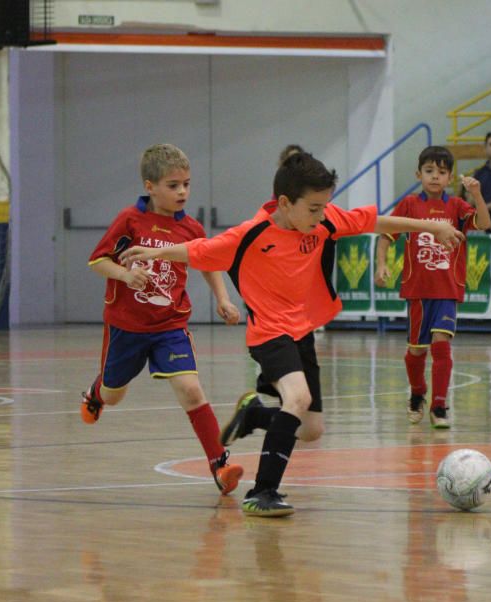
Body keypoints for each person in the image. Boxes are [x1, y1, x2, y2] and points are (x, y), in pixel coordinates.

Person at [119, 151, 464, 517]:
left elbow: (375, 222)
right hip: (268, 332)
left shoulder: (323, 221)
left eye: (324, 207)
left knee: (312, 428)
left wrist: (434, 227)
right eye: (313, 208)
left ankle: (254, 415)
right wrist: (153, 254)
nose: (321, 216)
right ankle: (263, 491)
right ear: (285, 203)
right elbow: (198, 250)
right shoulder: (250, 235)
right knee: (296, 399)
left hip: (302, 330)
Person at [79, 143, 245, 496]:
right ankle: (96, 391)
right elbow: (98, 261)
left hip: (170, 325)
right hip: (126, 326)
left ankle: (220, 464)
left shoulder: (193, 229)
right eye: (173, 185)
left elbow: (207, 262)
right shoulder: (129, 220)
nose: (182, 191)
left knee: (190, 389)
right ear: (150, 186)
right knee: (114, 395)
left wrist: (223, 299)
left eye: (186, 184)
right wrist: (124, 276)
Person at [373, 145, 491, 428]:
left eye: (441, 172)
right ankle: (417, 393)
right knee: (416, 350)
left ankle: (439, 405)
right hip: (418, 290)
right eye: (429, 171)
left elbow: (484, 223)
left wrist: (476, 194)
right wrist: (382, 264)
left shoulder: (457, 207)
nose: (435, 177)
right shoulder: (410, 205)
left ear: (450, 177)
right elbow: (386, 235)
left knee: (442, 344)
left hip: (447, 289)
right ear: (418, 174)